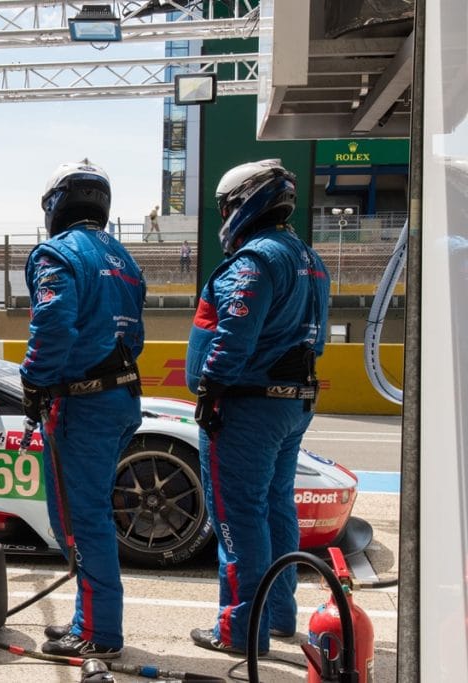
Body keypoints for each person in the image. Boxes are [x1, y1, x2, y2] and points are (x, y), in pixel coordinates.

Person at [186, 159, 330, 656]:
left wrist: (209, 389)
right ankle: (279, 615)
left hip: (247, 406)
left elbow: (232, 336)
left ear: (242, 203)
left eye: (226, 206)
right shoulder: (310, 259)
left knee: (237, 518)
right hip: (294, 403)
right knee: (275, 508)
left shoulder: (254, 260)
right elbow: (320, 341)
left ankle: (240, 632)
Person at [20, 159, 146, 659]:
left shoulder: (56, 253)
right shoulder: (124, 258)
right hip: (122, 397)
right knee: (90, 513)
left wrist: (33, 380)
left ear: (55, 202)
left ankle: (99, 633)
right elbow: (134, 331)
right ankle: (85, 617)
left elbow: (53, 322)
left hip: (83, 402)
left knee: (79, 519)